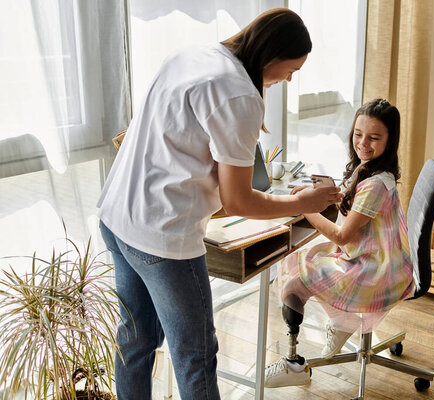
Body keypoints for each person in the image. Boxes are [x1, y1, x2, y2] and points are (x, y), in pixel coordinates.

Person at [97, 8, 342, 400]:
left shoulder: (193, 55)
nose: (290, 79)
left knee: (135, 343)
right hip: (163, 237)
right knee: (195, 356)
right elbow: (239, 199)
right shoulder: (240, 93)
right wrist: (301, 201)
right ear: (272, 56)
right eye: (291, 70)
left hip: (117, 216)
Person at [264, 98, 415, 388]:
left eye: (374, 137)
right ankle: (342, 323)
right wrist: (322, 195)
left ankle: (294, 364)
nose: (363, 143)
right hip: (381, 258)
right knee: (299, 260)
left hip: (376, 270)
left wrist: (305, 207)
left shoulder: (375, 184)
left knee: (295, 277)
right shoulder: (368, 169)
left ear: (390, 140)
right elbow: (352, 209)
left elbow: (342, 236)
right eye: (358, 134)